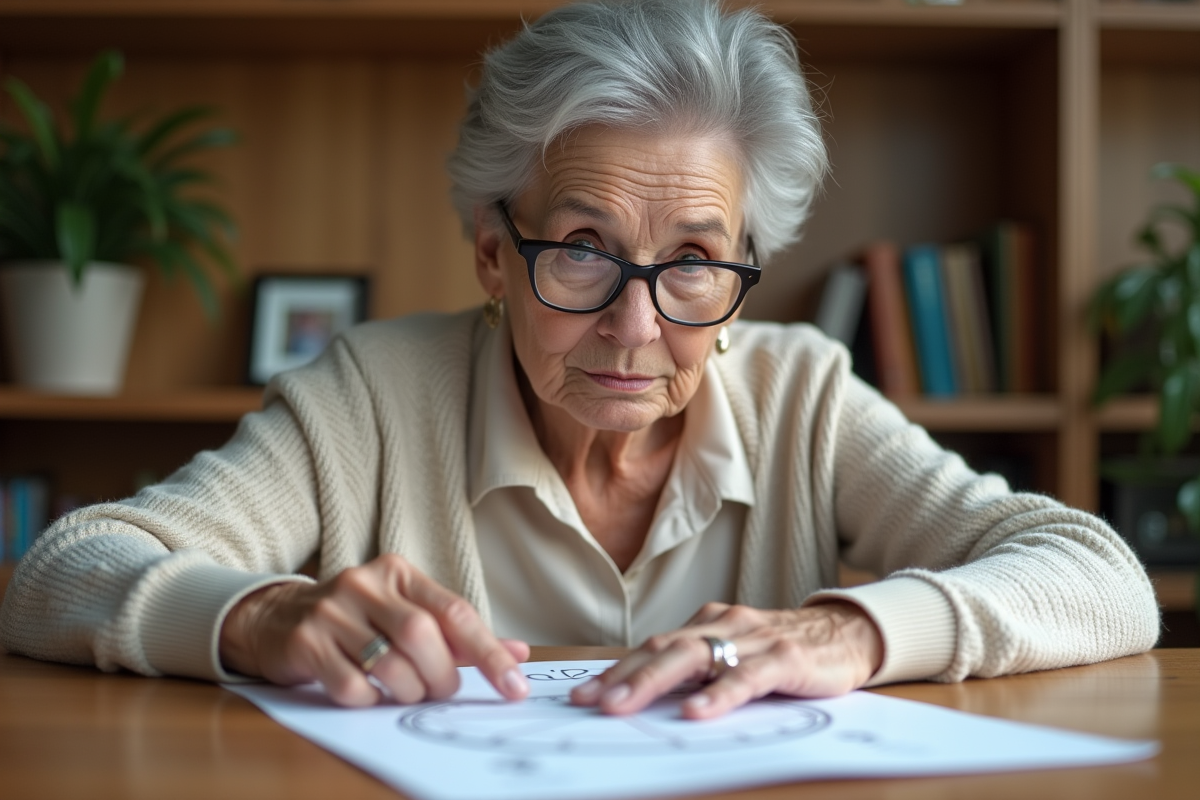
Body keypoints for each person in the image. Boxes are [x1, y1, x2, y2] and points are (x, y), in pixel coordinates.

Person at [0, 0, 1158, 720]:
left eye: (694, 261)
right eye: (584, 249)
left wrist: (847, 630)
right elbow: (63, 568)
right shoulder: (367, 396)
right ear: (493, 255)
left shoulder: (801, 391)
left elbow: (1096, 572)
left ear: (746, 269)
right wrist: (258, 615)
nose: (636, 325)